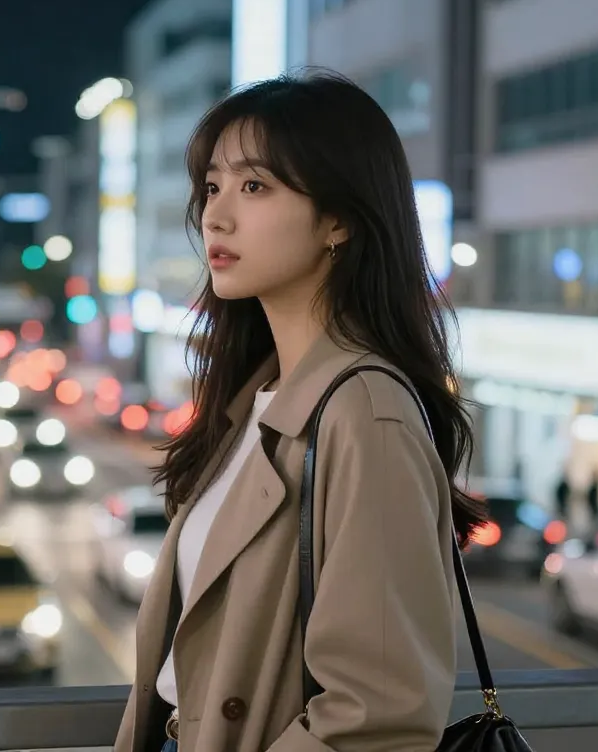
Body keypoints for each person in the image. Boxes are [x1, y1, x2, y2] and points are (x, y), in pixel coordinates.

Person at [113, 72, 488, 752]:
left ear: (339, 219)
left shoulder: (363, 413)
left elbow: (379, 712)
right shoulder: (251, 404)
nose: (216, 216)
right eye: (213, 187)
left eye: (255, 186)